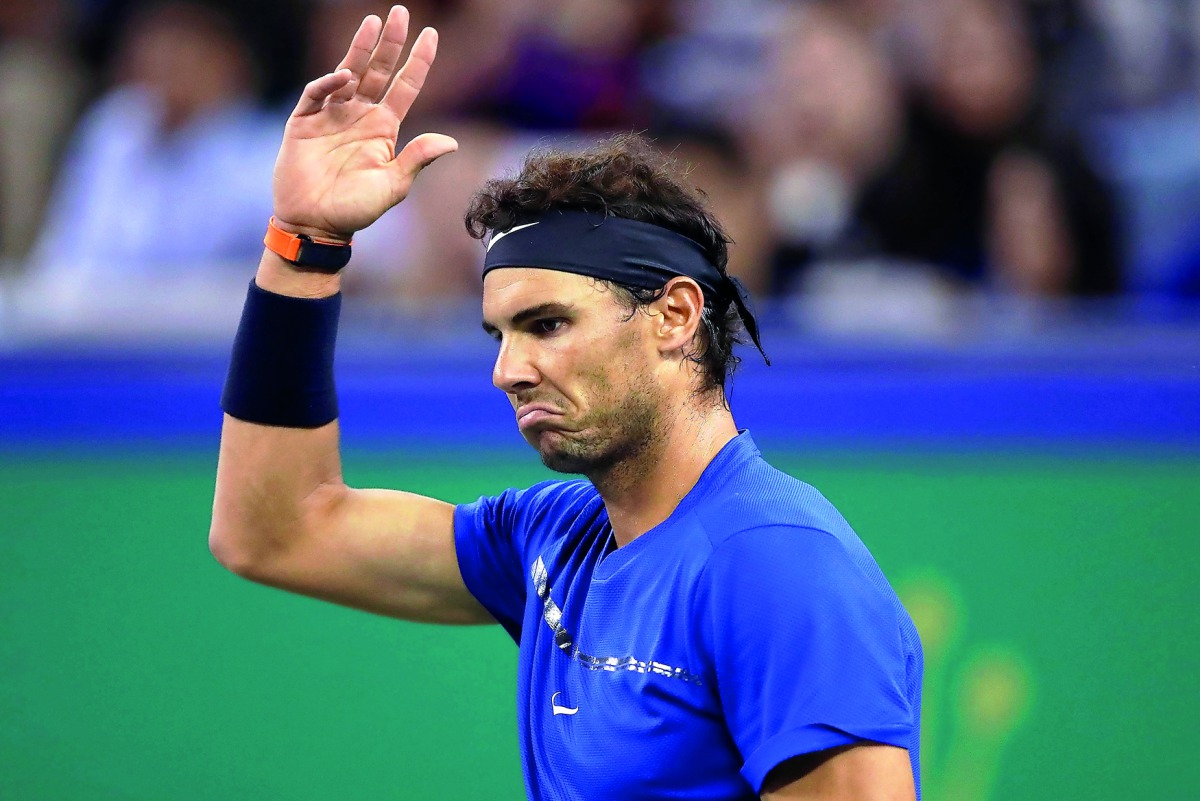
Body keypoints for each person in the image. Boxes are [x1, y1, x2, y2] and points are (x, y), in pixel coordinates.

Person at [209, 7, 923, 800]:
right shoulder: (553, 540)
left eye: (547, 324)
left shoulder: (778, 563)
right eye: (500, 335)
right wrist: (303, 244)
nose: (509, 370)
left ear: (675, 316)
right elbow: (274, 529)